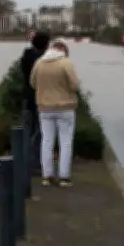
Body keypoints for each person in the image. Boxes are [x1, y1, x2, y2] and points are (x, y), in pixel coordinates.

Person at [30, 38, 79, 187]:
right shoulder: (66, 63)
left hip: (45, 108)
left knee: (47, 141)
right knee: (65, 142)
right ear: (63, 50)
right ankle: (64, 177)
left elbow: (32, 83)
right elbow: (75, 85)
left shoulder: (39, 63)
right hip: (65, 108)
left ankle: (47, 176)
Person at [20, 31, 51, 174]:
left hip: (28, 96)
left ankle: (26, 161)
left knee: (28, 129)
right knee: (40, 132)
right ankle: (35, 164)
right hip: (41, 98)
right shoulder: (44, 59)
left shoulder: (26, 55)